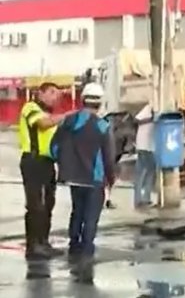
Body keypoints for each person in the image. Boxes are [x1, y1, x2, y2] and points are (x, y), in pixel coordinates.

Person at [50, 83, 117, 284]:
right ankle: (87, 251)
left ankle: (74, 245)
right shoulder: (102, 125)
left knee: (77, 211)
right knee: (91, 217)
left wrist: (64, 165)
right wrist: (111, 179)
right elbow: (109, 157)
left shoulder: (69, 120)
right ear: (100, 102)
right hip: (94, 179)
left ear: (83, 99)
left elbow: (54, 147)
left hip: (73, 178)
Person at [18, 82, 69, 260]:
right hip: (33, 161)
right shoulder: (31, 108)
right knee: (35, 205)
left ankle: (43, 242)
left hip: (47, 162)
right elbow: (42, 124)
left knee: (48, 203)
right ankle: (33, 246)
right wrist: (66, 116)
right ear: (41, 93)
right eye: (52, 92)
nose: (55, 97)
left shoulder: (49, 113)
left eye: (58, 94)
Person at [132, 103, 156, 209]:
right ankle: (140, 200)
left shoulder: (155, 109)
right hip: (144, 146)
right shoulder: (149, 108)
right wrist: (151, 119)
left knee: (149, 171)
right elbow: (136, 120)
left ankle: (144, 198)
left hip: (149, 146)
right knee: (143, 172)